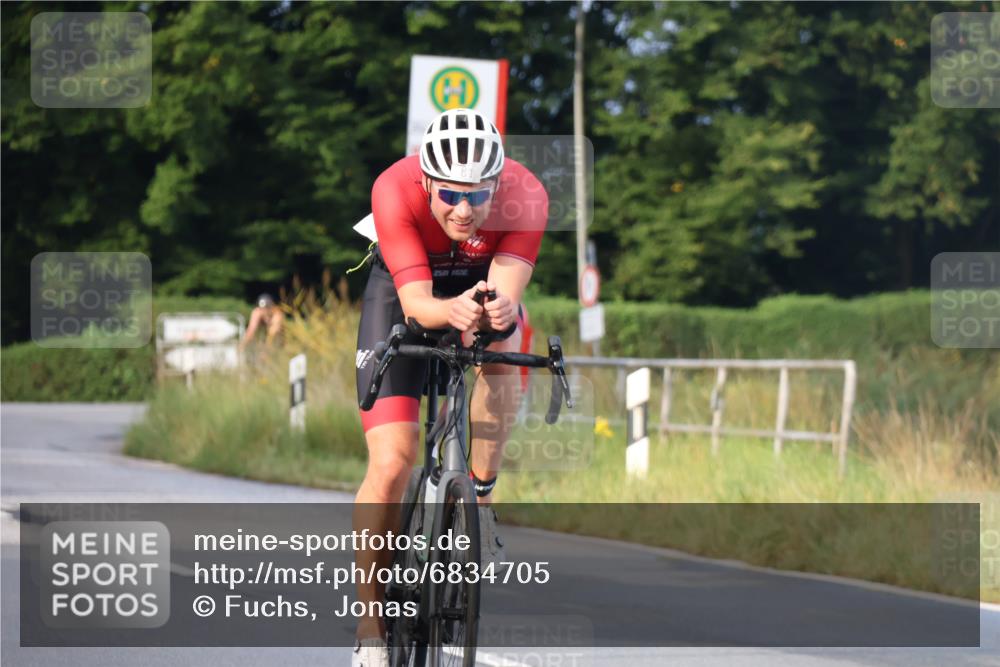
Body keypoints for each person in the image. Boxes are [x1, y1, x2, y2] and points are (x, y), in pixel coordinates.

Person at [351, 108, 547, 667]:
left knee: (505, 347)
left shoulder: (526, 194)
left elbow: (505, 298)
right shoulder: (394, 187)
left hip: (476, 287)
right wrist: (446, 310)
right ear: (427, 181)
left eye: (479, 197)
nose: (464, 210)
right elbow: (416, 305)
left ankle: (480, 498)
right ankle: (370, 630)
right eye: (451, 196)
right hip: (404, 289)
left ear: (498, 185)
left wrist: (498, 313)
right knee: (393, 462)